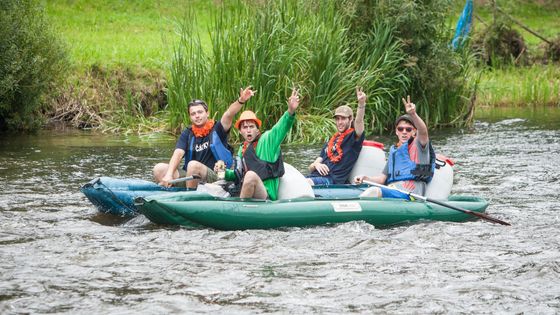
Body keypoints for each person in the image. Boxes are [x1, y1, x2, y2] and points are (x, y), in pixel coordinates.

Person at [153, 87, 256, 188]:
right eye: (193, 114)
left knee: (193, 165)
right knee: (159, 169)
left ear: (207, 113)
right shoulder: (187, 133)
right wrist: (169, 174)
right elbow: (178, 154)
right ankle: (173, 191)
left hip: (215, 178)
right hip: (190, 177)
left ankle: (190, 198)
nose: (197, 116)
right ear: (190, 117)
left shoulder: (218, 128)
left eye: (200, 112)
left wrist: (241, 101)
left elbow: (229, 114)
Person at [219, 88, 300, 200]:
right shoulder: (242, 148)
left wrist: (290, 111)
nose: (248, 130)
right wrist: (222, 172)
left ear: (257, 130)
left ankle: (240, 212)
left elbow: (281, 128)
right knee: (241, 178)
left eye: (251, 127)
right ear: (240, 131)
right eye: (245, 127)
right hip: (247, 190)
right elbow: (238, 174)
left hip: (265, 194)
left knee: (251, 176)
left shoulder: (268, 140)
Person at [354, 95, 435, 199]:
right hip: (393, 190)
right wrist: (366, 178)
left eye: (408, 129)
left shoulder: (419, 145)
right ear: (397, 132)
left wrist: (413, 114)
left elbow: (423, 131)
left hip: (411, 193)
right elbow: (382, 179)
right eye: (401, 129)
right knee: (369, 190)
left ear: (414, 132)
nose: (404, 132)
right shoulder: (394, 152)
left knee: (373, 192)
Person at [306, 88, 367, 185]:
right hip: (313, 176)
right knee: (295, 180)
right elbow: (311, 166)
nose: (339, 122)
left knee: (305, 183)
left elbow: (359, 121)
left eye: (343, 118)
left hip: (331, 180)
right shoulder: (330, 142)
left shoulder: (354, 138)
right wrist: (317, 165)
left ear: (350, 119)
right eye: (337, 119)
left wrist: (361, 104)